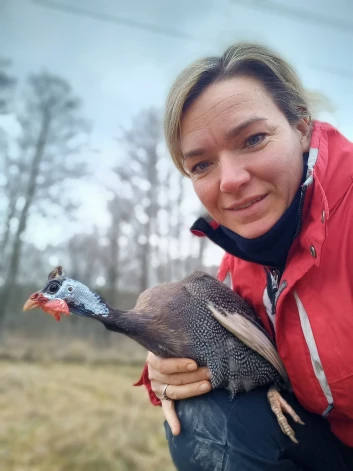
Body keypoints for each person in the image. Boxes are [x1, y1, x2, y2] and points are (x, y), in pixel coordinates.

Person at [135, 42, 353, 470]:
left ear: (302, 127)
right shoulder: (239, 269)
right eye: (201, 165)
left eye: (253, 139)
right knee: (204, 413)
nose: (230, 180)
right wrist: (166, 370)